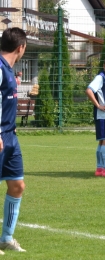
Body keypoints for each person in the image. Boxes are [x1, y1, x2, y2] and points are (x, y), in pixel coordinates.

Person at [0, 27, 27, 253]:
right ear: (21, 47)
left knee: (17, 185)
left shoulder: (9, 70)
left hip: (11, 137)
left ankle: (6, 238)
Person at [86, 57, 105, 178]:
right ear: (104, 66)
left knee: (102, 142)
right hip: (103, 115)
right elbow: (89, 90)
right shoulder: (100, 78)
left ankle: (99, 169)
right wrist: (98, 105)